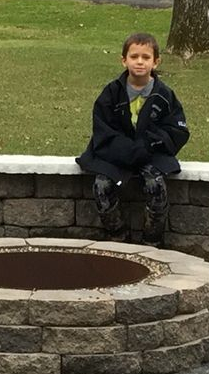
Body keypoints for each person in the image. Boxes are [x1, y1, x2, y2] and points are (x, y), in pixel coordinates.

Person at [77, 31, 189, 242]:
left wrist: (149, 145)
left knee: (155, 185)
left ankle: (152, 241)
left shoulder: (165, 95)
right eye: (134, 57)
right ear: (123, 60)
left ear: (156, 62)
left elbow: (177, 129)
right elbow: (103, 129)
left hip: (151, 154)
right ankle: (118, 237)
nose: (140, 62)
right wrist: (127, 150)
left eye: (146, 58)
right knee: (101, 186)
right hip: (116, 155)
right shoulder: (111, 93)